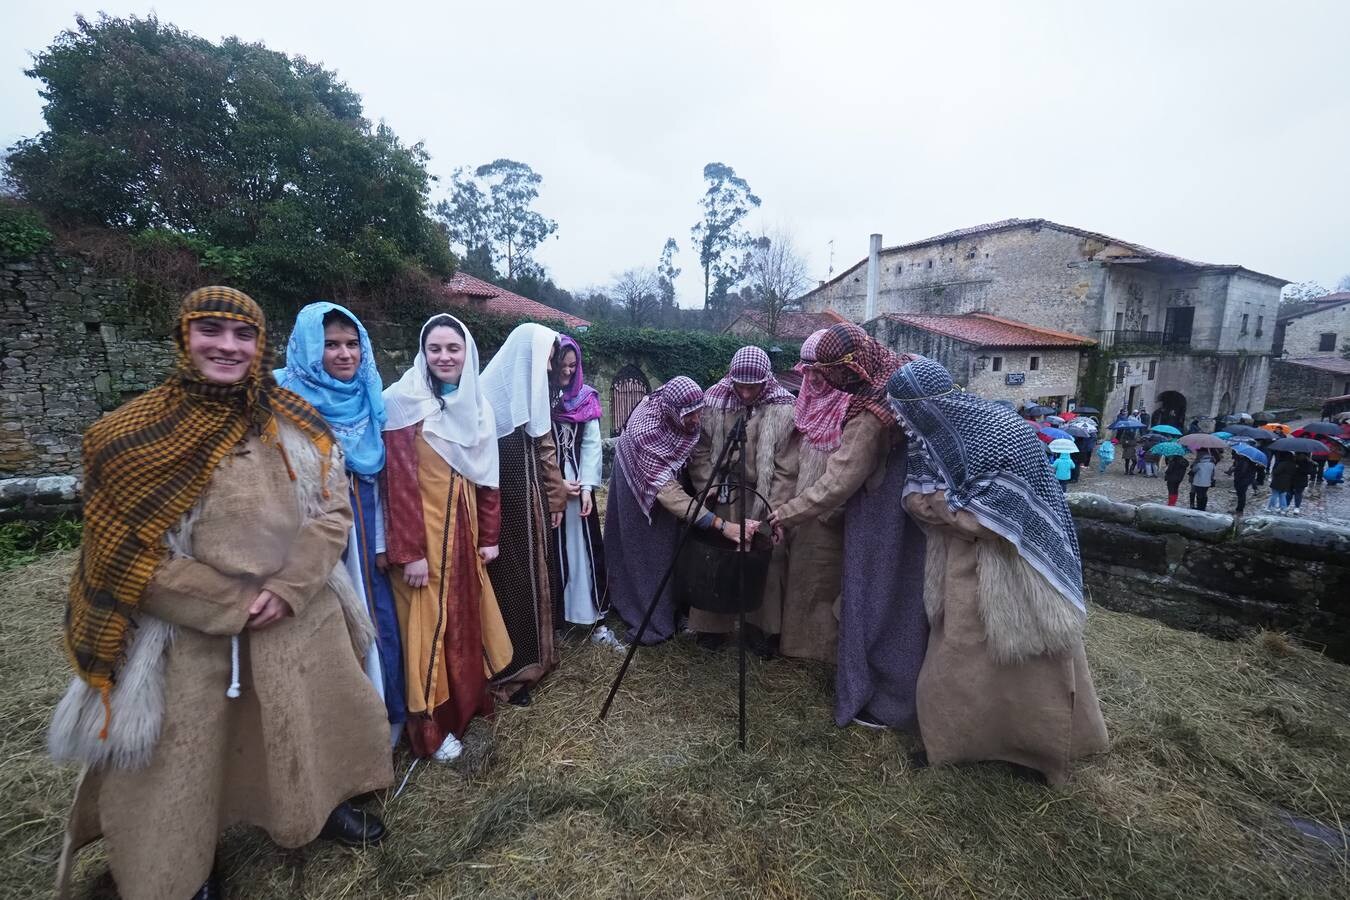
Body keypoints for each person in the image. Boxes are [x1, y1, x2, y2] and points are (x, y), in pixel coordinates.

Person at [50, 287, 392, 900]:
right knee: (188, 754)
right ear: (185, 336)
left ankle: (316, 811)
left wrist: (288, 588)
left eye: (243, 335)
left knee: (306, 723)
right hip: (189, 633)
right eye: (212, 331)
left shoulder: (295, 420)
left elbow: (334, 509)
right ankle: (186, 865)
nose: (228, 347)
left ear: (261, 346)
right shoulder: (128, 437)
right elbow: (128, 554)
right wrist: (228, 604)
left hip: (297, 612)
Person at [888, 357, 1109, 785]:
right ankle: (957, 744)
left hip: (1018, 571)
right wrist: (943, 507)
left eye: (906, 409)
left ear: (926, 404)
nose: (904, 422)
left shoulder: (1002, 434)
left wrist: (943, 508)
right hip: (961, 564)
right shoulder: (930, 436)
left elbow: (988, 520)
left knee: (1029, 665)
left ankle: (1037, 751)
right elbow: (918, 498)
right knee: (959, 656)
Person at [768, 323, 927, 732]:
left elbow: (839, 481)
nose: (829, 383)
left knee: (873, 597)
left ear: (852, 366)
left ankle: (880, 697)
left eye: (833, 374)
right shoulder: (895, 372)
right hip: (899, 507)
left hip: (882, 517)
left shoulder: (870, 412)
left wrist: (785, 514)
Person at [382, 314, 511, 762]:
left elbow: (489, 479)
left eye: (453, 349)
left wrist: (490, 535)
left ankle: (469, 704)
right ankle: (430, 730)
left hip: (465, 533)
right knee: (427, 630)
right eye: (434, 348)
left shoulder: (477, 406)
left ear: (467, 353)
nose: (444, 357)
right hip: (425, 542)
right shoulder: (402, 402)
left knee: (464, 619)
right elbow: (396, 483)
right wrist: (410, 552)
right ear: (423, 352)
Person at [275, 301, 405, 746]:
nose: (344, 354)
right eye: (331, 345)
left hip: (366, 544)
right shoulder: (280, 401)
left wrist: (385, 542)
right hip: (308, 545)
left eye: (352, 344)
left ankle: (385, 725)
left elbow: (382, 481)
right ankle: (334, 739)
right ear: (311, 348)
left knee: (375, 620)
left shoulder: (370, 400)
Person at [605, 377, 755, 643]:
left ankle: (675, 609)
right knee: (650, 552)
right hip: (640, 487)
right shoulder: (645, 433)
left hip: (669, 477)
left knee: (677, 545)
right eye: (691, 416)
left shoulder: (682, 410)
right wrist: (721, 525)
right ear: (675, 413)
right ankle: (652, 618)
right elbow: (670, 495)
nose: (697, 420)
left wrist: (704, 485)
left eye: (700, 412)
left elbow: (694, 449)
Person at [478, 323, 569, 705]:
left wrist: (555, 500)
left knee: (534, 579)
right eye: (547, 356)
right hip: (501, 513)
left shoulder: (532, 397)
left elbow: (545, 450)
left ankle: (538, 660)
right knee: (510, 585)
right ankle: (509, 673)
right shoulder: (487, 401)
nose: (550, 365)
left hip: (529, 509)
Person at [687, 345, 795, 651]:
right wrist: (707, 485)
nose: (746, 394)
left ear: (766, 380)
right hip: (725, 490)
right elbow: (700, 450)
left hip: (765, 492)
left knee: (767, 557)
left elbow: (787, 468)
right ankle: (712, 626)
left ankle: (760, 629)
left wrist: (772, 509)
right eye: (740, 386)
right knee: (718, 553)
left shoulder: (784, 408)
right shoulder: (714, 402)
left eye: (753, 387)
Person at [759, 330, 850, 664]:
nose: (810, 378)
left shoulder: (849, 407)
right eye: (807, 371)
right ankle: (794, 648)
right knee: (797, 578)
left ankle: (820, 654)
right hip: (799, 508)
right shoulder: (807, 403)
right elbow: (791, 461)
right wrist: (784, 508)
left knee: (822, 583)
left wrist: (828, 510)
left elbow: (847, 474)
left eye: (818, 372)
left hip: (831, 514)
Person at [547, 335, 617, 648]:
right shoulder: (541, 397)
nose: (567, 372)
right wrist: (554, 484)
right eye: (562, 365)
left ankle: (597, 621)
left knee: (587, 551)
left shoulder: (587, 397)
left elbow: (590, 445)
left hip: (579, 491)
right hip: (549, 488)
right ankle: (557, 623)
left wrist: (587, 487)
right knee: (553, 552)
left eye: (572, 366)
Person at [1228, 451, 1259, 515]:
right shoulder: (1248, 460)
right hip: (1246, 480)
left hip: (1242, 480)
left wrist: (1235, 469)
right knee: (1241, 495)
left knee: (1241, 495)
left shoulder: (1244, 461)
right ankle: (1239, 509)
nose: (1239, 454)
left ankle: (1239, 510)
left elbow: (1242, 472)